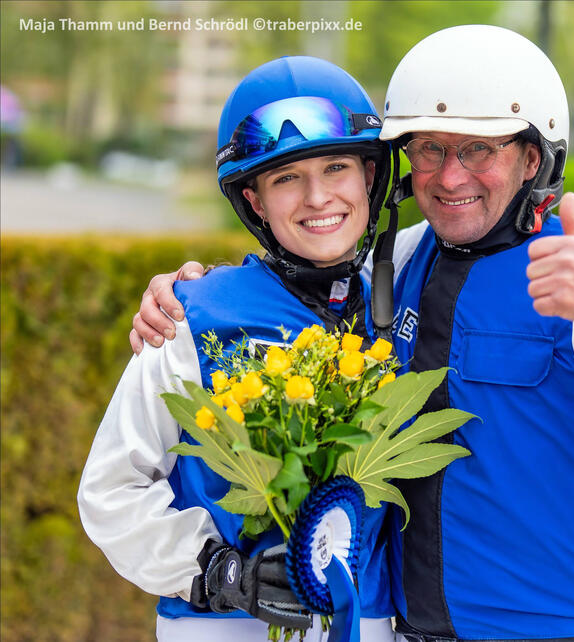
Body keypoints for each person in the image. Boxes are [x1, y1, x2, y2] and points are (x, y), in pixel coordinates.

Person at [131, 26, 574, 642]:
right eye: (429, 149)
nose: (450, 177)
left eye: (479, 149)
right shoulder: (396, 265)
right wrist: (187, 290)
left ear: (533, 157)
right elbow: (296, 278)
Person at [78, 56, 398, 642]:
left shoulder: (405, 304)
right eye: (285, 179)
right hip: (224, 628)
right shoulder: (187, 318)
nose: (317, 197)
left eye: (336, 167)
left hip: (373, 623)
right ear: (253, 200)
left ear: (370, 178)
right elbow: (109, 490)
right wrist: (217, 573)